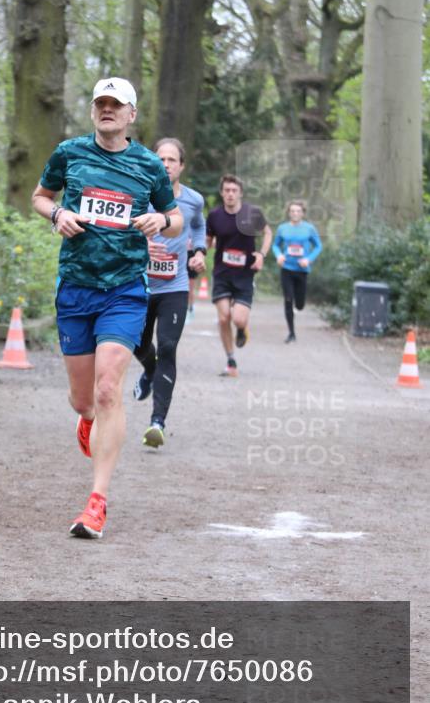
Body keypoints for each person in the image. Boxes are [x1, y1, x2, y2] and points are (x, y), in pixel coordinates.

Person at [31, 77, 183, 539]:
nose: (107, 110)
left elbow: (174, 219)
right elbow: (40, 197)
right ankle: (88, 420)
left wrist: (161, 219)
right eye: (101, 103)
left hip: (125, 289)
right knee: (83, 400)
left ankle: (96, 503)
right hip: (76, 287)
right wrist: (57, 215)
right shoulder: (69, 153)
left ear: (131, 114)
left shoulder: (148, 166)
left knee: (107, 389)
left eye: (116, 105)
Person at [133, 138, 205, 448]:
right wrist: (140, 245)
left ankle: (157, 422)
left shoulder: (193, 200)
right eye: (160, 158)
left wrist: (199, 251)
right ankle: (148, 370)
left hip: (174, 286)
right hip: (137, 283)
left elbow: (198, 226)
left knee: (168, 346)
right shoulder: (139, 194)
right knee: (136, 343)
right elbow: (120, 227)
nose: (165, 164)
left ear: (181, 166)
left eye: (172, 159)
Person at [206, 174, 272, 377]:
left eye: (234, 190)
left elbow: (268, 233)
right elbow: (208, 241)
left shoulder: (252, 213)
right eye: (226, 190)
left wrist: (261, 255)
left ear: (240, 193)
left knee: (238, 319)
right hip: (222, 274)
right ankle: (231, 361)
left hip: (244, 275)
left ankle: (243, 330)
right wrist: (199, 249)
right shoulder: (215, 215)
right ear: (222, 193)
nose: (230, 194)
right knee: (224, 317)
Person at [272, 199, 323, 342]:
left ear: (303, 213)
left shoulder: (309, 228)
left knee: (299, 305)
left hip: (302, 270)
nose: (295, 213)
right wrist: (279, 255)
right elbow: (275, 245)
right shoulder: (282, 228)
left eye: (298, 211)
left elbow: (318, 246)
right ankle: (291, 333)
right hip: (287, 268)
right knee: (288, 299)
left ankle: (298, 305)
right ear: (288, 213)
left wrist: (309, 259)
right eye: (292, 211)